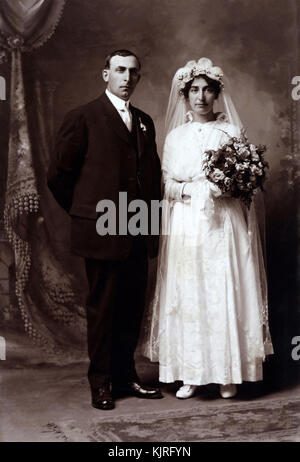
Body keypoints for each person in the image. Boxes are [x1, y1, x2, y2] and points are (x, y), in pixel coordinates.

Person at [143, 57, 273, 399]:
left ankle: (227, 371)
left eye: (207, 90)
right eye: (194, 91)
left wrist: (229, 184)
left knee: (224, 286)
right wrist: (190, 188)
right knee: (189, 291)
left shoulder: (231, 132)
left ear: (217, 95)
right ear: (185, 96)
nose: (200, 97)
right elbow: (167, 184)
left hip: (224, 222)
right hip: (188, 223)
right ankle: (192, 373)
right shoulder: (175, 137)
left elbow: (248, 180)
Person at [47, 49, 163, 410]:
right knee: (103, 309)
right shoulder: (82, 117)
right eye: (119, 70)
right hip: (101, 229)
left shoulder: (144, 120)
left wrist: (149, 225)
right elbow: (58, 177)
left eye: (133, 72)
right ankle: (101, 383)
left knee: (131, 308)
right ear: (105, 74)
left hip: (138, 227)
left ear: (138, 78)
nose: (126, 77)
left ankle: (126, 375)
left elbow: (151, 178)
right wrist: (88, 215)